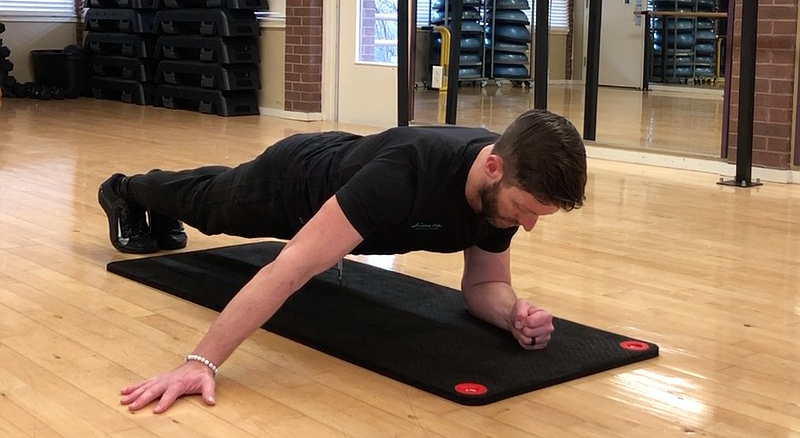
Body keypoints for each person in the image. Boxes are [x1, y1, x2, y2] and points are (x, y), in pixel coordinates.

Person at [99, 109, 587, 413]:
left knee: (210, 200)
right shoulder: (408, 173)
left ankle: (152, 203)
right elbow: (288, 269)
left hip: (352, 170)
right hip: (295, 181)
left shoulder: (499, 193)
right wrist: (200, 362)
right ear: (493, 167)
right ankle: (124, 189)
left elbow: (483, 286)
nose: (527, 225)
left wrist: (513, 315)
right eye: (525, 209)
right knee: (211, 207)